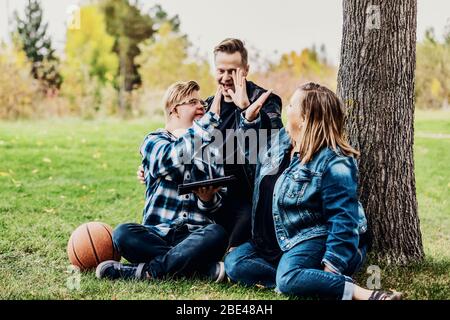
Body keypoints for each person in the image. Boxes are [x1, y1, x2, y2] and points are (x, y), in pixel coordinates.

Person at [224, 82, 403, 300]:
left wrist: (333, 266)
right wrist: (249, 119)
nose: (287, 110)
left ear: (304, 119)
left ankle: (357, 292)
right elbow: (253, 156)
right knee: (235, 264)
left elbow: (344, 219)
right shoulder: (283, 140)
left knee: (288, 278)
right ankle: (306, 280)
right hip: (277, 240)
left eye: (291, 105)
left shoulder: (335, 161)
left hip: (312, 235)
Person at [137, 38, 283, 251]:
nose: (225, 78)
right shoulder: (208, 106)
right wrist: (150, 166)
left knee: (234, 241)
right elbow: (183, 144)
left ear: (246, 70)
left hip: (249, 196)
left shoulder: (266, 101)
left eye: (232, 71)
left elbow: (274, 150)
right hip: (212, 193)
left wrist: (246, 109)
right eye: (220, 70)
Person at [96, 81, 229, 282]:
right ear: (175, 110)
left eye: (201, 102)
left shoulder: (212, 149)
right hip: (157, 233)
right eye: (193, 102)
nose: (202, 106)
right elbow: (169, 159)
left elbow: (219, 203)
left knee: (217, 233)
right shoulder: (153, 140)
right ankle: (198, 269)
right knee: (123, 233)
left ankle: (146, 271)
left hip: (195, 235)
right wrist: (207, 124)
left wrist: (207, 199)